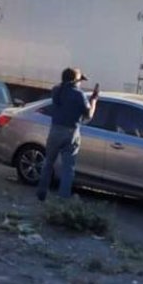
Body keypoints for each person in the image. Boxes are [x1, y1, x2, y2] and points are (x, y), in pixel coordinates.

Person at [36, 68, 98, 201]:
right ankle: (62, 199)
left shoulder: (56, 90)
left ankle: (41, 193)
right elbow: (89, 115)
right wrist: (93, 101)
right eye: (80, 80)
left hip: (55, 130)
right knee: (68, 169)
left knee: (48, 163)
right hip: (71, 132)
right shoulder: (79, 95)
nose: (81, 83)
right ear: (75, 80)